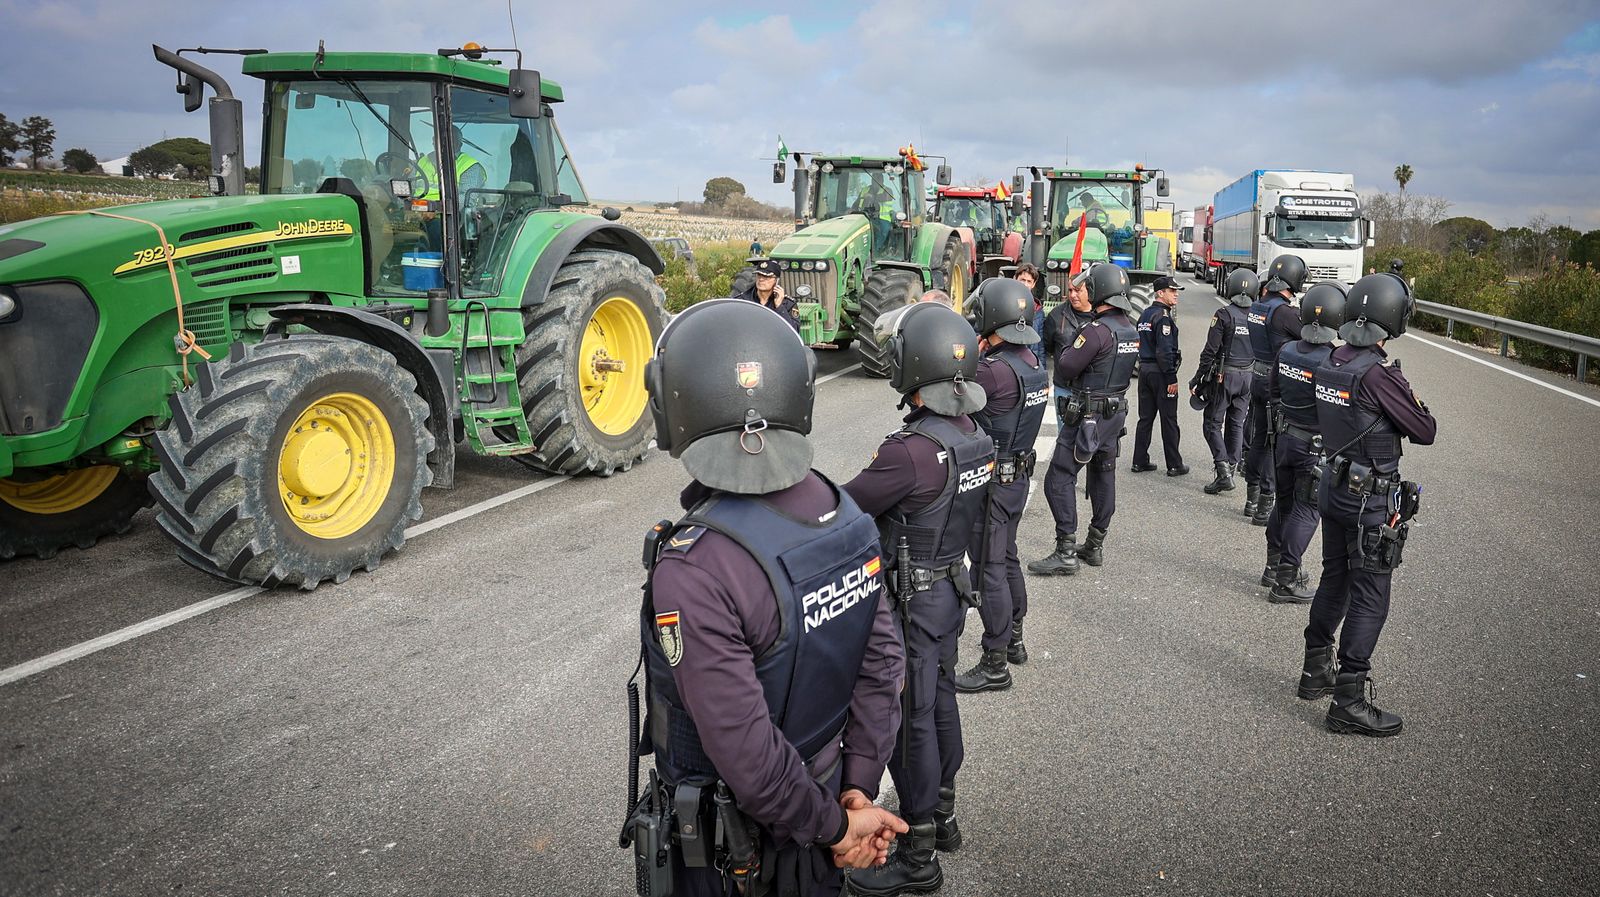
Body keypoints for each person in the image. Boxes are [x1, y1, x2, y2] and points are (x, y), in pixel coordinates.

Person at [629, 299, 909, 896]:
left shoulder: (696, 564)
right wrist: (856, 786)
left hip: (739, 845)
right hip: (827, 800)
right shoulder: (848, 515)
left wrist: (835, 827)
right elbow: (883, 665)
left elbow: (744, 746)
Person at [843, 303, 994, 896]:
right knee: (942, 703)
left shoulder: (910, 450)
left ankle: (920, 849)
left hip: (912, 601)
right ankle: (946, 815)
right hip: (949, 591)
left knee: (911, 722)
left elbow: (848, 506)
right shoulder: (973, 435)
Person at [1299, 273, 1435, 737]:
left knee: (1334, 580)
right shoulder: (1379, 375)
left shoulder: (1333, 359)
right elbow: (1425, 429)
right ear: (1389, 316)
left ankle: (1315, 670)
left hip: (1334, 492)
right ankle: (1349, 700)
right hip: (1369, 502)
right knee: (1371, 596)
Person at [953, 279, 1049, 694]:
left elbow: (954, 397)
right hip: (1018, 476)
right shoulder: (1031, 362)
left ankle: (995, 662)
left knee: (989, 568)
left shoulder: (993, 369)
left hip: (993, 482)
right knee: (1006, 558)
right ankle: (1015, 639)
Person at [1028, 263, 1139, 575]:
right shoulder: (1129, 329)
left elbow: (1065, 367)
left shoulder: (1095, 332)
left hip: (1087, 415)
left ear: (1100, 291)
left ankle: (1066, 548)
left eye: (1088, 286)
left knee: (1058, 477)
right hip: (1114, 415)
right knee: (1104, 476)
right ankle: (1095, 544)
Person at [1262, 283, 1347, 603]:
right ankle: (1286, 578)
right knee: (1307, 509)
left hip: (1284, 437)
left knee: (1284, 503)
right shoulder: (1333, 360)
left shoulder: (1288, 350)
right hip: (1314, 445)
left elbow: (1273, 393)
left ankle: (1273, 566)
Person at [1242, 254, 1308, 525]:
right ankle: (1265, 503)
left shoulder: (1258, 306)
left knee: (1258, 438)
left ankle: (1251, 497)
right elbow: (1309, 335)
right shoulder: (1285, 312)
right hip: (1275, 381)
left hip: (1256, 375)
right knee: (1274, 442)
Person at [1191, 269, 1258, 495]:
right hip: (1248, 376)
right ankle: (1230, 465)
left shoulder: (1223, 314)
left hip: (1225, 377)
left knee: (1211, 423)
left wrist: (1197, 378)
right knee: (1236, 423)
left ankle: (1223, 471)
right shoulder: (1258, 316)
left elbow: (1210, 351)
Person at [1131, 275, 1187, 476]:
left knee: (1145, 418)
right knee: (1169, 419)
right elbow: (1164, 351)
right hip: (1161, 374)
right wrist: (1171, 378)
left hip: (1145, 371)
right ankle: (1174, 464)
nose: (1176, 294)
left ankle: (1139, 461)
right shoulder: (1163, 317)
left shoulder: (1144, 315)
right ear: (1160, 293)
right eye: (1172, 291)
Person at [1040, 272, 1093, 429]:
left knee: (1090, 441)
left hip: (1092, 391)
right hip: (1064, 389)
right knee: (1065, 439)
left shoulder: (1101, 316)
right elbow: (1048, 346)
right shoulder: (1056, 316)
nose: (1073, 295)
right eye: (1070, 290)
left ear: (1089, 291)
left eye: (1078, 290)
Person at [735, 258, 802, 333]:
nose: (761, 279)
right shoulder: (742, 301)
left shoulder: (788, 304)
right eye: (759, 275)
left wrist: (779, 307)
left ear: (776, 280)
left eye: (766, 277)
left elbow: (794, 332)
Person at [1014, 263, 1047, 364]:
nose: (1025, 284)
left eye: (1029, 281)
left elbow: (1040, 345)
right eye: (1022, 280)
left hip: (1030, 361)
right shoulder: (1004, 303)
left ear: (1033, 284)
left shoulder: (1038, 310)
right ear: (1015, 279)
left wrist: (1041, 368)